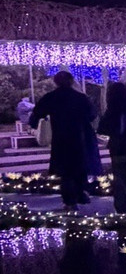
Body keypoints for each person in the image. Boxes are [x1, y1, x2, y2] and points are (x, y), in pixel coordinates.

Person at [28, 71, 102, 211]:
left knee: (66, 171)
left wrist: (34, 125)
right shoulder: (80, 97)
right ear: (71, 81)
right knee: (80, 166)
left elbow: (37, 113)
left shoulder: (51, 97)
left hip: (61, 138)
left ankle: (69, 200)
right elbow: (92, 115)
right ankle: (81, 193)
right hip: (79, 136)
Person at [97, 82, 126, 213]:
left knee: (120, 180)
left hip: (118, 150)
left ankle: (122, 207)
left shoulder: (112, 112)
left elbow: (102, 129)